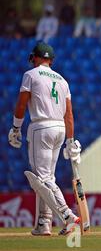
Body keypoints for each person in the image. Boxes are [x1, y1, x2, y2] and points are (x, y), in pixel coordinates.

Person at [8, 42, 83, 236]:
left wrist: (16, 128)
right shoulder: (62, 80)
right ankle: (44, 223)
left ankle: (68, 216)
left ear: (36, 57)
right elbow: (69, 115)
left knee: (42, 178)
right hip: (59, 128)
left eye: (33, 58)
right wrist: (70, 140)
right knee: (48, 178)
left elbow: (22, 104)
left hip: (40, 127)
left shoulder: (30, 75)